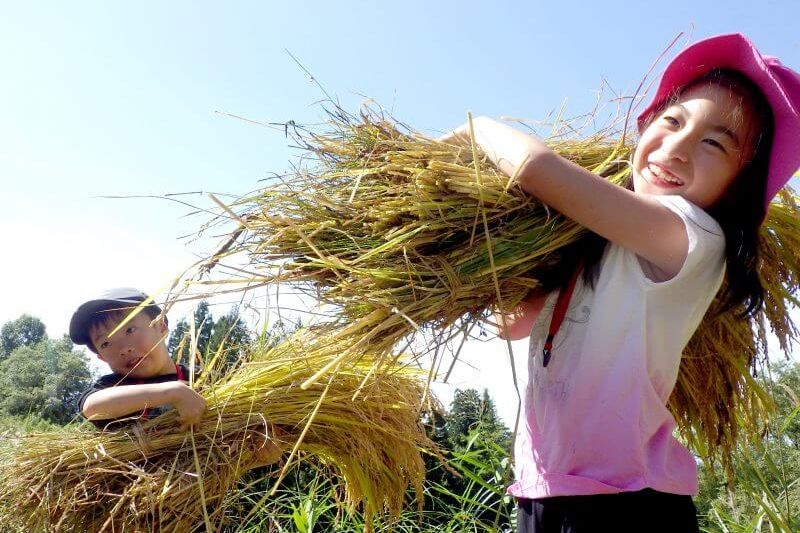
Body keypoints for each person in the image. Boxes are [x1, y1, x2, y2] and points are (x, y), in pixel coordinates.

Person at [442, 34, 800, 532]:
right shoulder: (596, 239)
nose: (675, 148)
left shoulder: (693, 236)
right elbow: (516, 325)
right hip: (545, 486)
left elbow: (533, 168)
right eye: (672, 121)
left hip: (627, 503)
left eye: (714, 143)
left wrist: (476, 128)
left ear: (738, 184)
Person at [70, 287, 282, 465]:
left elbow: (247, 443)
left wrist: (266, 453)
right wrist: (173, 392)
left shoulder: (206, 381)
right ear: (100, 357)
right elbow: (92, 408)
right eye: (106, 343)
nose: (123, 348)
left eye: (130, 330)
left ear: (161, 327)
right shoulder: (114, 387)